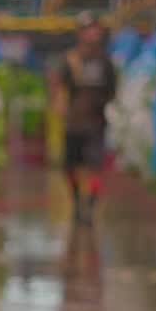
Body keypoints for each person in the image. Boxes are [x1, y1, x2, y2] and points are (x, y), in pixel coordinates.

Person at [52, 12, 116, 224]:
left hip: (96, 122)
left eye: (95, 30)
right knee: (70, 166)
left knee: (94, 165)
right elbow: (61, 87)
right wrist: (61, 105)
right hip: (74, 122)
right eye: (88, 30)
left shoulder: (105, 62)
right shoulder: (70, 60)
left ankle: (89, 205)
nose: (92, 34)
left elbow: (112, 90)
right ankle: (77, 200)